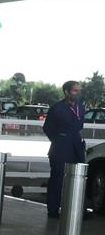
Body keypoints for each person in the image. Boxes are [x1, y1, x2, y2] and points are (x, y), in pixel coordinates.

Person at [43, 80, 86, 218]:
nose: (78, 93)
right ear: (67, 92)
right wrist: (59, 140)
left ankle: (78, 210)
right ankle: (53, 210)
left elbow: (80, 125)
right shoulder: (57, 108)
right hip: (60, 147)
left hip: (76, 147)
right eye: (75, 90)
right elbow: (47, 128)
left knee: (78, 178)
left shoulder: (81, 106)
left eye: (79, 90)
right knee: (57, 178)